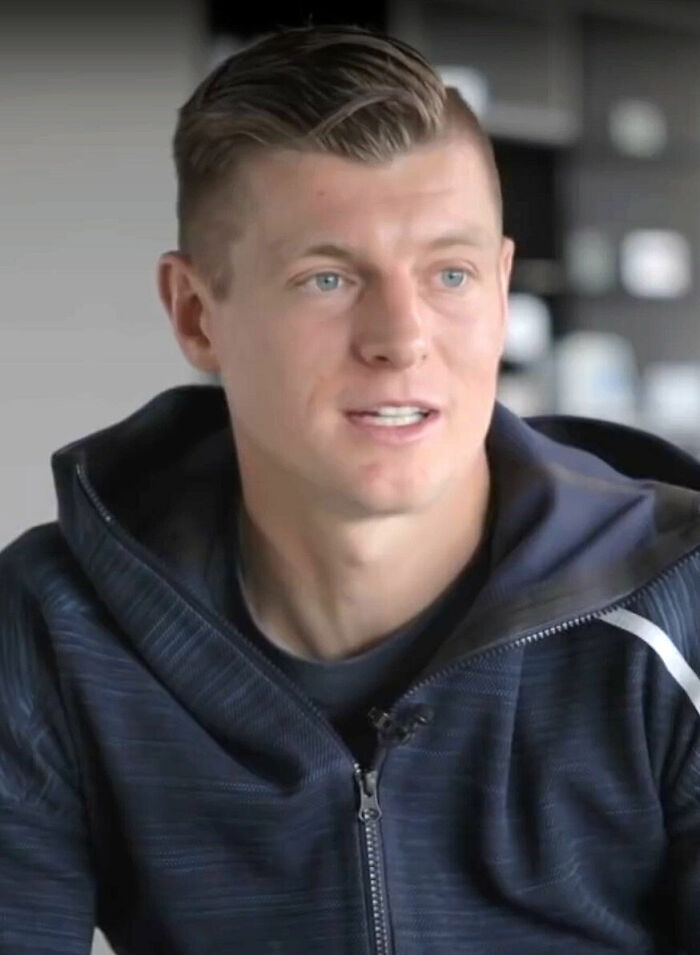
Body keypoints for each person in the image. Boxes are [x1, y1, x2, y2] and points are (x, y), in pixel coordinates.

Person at [2, 21, 700, 955]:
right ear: (196, 314)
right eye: (327, 277)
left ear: (499, 289)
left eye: (449, 274)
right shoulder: (53, 629)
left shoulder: (679, 615)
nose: (400, 338)